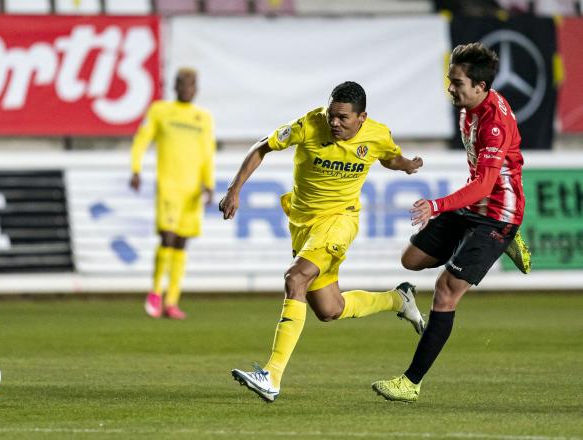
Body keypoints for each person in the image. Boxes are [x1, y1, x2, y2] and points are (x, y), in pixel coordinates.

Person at [219, 81, 425, 403]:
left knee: (295, 277)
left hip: (340, 221)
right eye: (331, 115)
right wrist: (234, 189)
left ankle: (272, 375)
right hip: (303, 224)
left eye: (343, 118)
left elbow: (389, 156)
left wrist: (407, 165)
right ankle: (399, 300)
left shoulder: (377, 134)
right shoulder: (308, 125)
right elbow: (261, 147)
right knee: (330, 309)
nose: (334, 123)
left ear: (362, 117)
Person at [371, 42, 528, 403]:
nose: (451, 89)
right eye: (450, 80)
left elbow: (487, 184)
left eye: (457, 82)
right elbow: (479, 179)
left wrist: (438, 205)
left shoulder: (493, 123)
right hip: (475, 205)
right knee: (411, 260)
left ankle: (411, 382)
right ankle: (504, 245)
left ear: (480, 87)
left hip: (498, 213)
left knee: (445, 290)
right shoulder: (468, 109)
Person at [130, 68, 215, 320]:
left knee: (181, 243)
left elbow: (207, 153)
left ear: (196, 89)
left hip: (192, 190)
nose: (187, 87)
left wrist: (208, 184)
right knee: (167, 238)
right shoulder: (160, 111)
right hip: (169, 186)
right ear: (175, 86)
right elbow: (141, 140)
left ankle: (172, 301)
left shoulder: (203, 118)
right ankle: (155, 292)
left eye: (191, 84)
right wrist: (135, 169)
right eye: (183, 83)